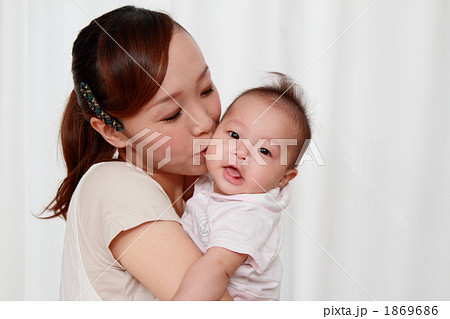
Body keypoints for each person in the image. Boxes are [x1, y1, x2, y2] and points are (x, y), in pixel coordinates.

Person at [43, 5, 233, 301]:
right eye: (171, 115)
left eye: (206, 89)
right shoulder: (116, 187)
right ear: (113, 131)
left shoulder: (203, 193)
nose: (205, 122)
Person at [172, 73, 312, 300]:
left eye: (264, 151)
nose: (242, 153)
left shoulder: (249, 213)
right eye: (235, 135)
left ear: (283, 179)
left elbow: (216, 268)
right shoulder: (212, 178)